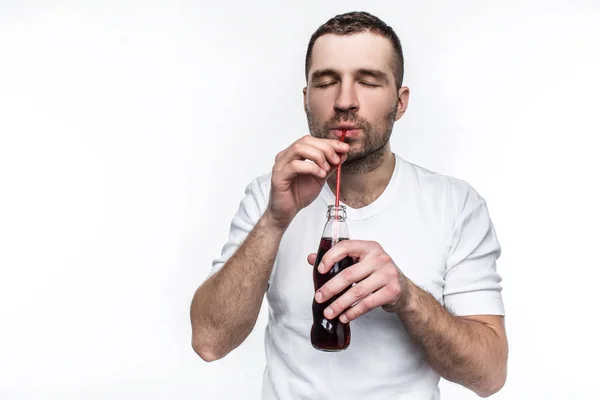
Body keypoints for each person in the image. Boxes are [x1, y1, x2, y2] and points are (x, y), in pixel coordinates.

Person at [190, 11, 508, 400]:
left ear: (400, 101)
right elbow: (209, 342)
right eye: (326, 82)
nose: (344, 102)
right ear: (306, 99)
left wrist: (406, 297)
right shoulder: (267, 196)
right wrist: (275, 221)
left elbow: (489, 376)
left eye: (368, 81)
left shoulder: (455, 206)